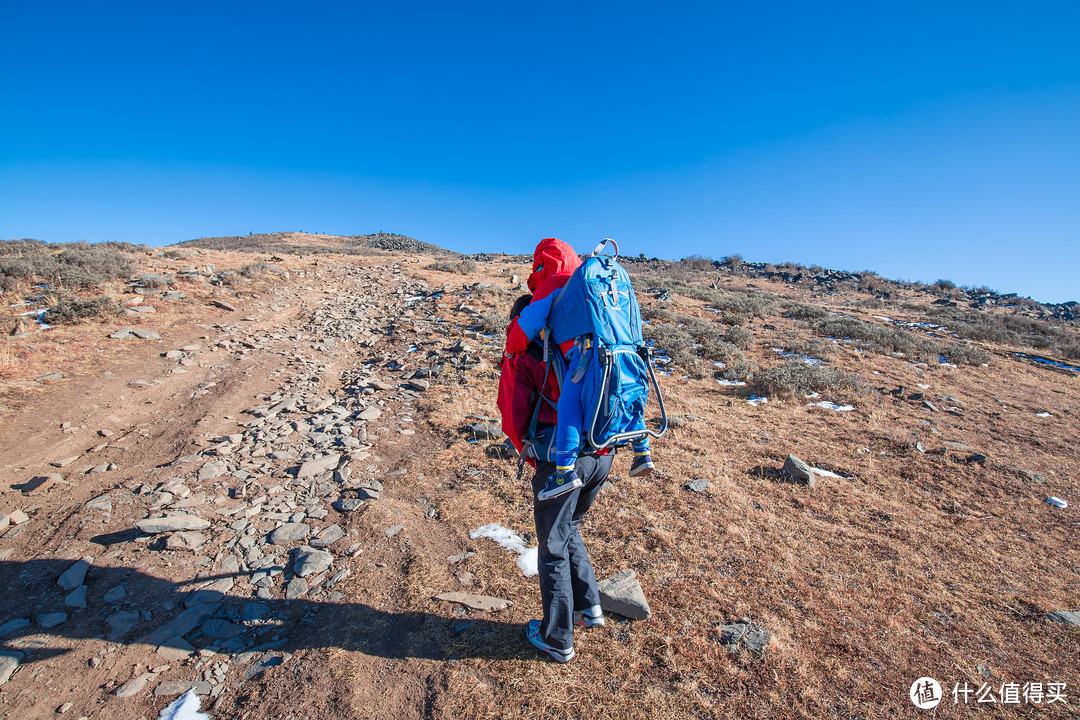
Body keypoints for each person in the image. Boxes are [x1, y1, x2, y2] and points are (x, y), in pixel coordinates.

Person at [498, 288, 613, 663]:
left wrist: (533, 457)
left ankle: (557, 638)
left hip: (560, 462)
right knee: (569, 527)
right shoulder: (581, 346)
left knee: (551, 548)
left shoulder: (525, 356)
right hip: (601, 453)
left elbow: (514, 419)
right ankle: (588, 606)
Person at [505, 240, 654, 502]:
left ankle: (564, 471)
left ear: (542, 265)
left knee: (569, 404)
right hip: (622, 351)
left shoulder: (553, 284)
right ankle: (642, 452)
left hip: (583, 357)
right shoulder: (592, 280)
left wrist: (511, 344)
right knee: (629, 391)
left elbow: (522, 333)